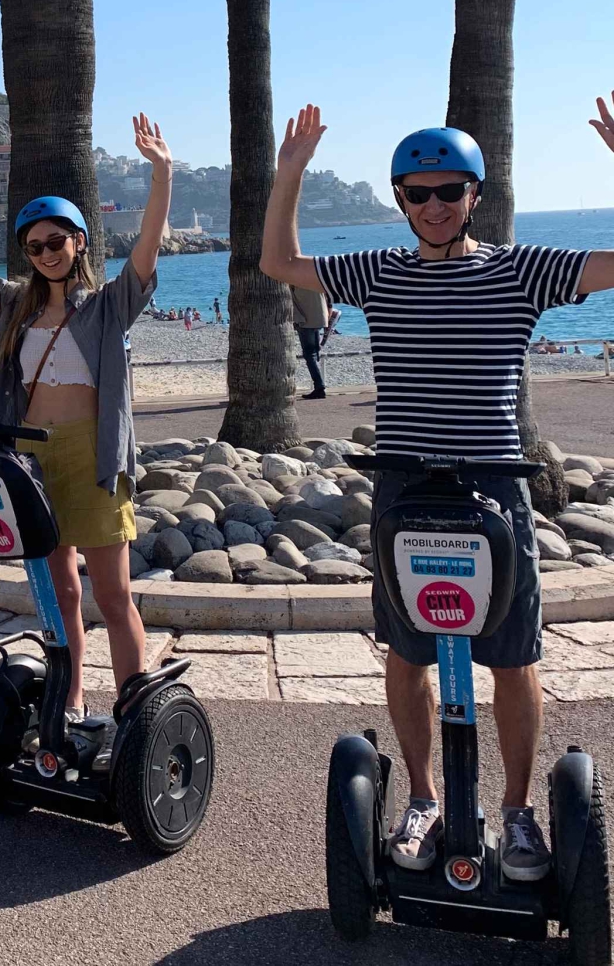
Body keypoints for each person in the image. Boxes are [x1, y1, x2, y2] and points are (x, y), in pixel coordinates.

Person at [260, 103, 614, 883]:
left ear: (474, 194)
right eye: (415, 194)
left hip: (496, 486)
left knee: (513, 657)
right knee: (409, 648)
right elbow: (281, 263)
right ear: (400, 200)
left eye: (448, 191)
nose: (433, 206)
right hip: (405, 487)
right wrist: (289, 175)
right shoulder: (379, 270)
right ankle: (422, 798)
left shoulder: (521, 269)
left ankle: (517, 812)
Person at [0, 112, 172, 716]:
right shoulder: (13, 305)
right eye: (34, 246)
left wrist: (162, 176)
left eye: (57, 241)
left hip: (93, 456)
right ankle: (69, 697)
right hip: (31, 458)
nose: (46, 253)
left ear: (78, 242)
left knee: (115, 590)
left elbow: (147, 253)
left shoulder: (107, 307)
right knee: (60, 590)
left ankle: (133, 707)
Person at [290, 284, 331, 399]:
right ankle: (319, 385)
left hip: (305, 319)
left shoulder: (294, 279)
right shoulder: (312, 277)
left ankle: (319, 386)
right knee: (314, 350)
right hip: (319, 317)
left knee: (309, 354)